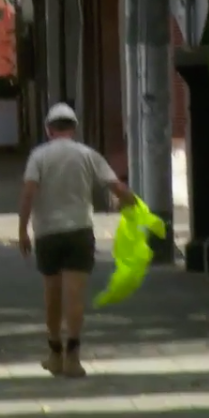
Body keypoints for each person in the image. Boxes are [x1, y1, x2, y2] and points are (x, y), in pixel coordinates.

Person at [17, 103, 136, 378]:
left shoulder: (39, 157)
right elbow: (116, 186)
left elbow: (28, 193)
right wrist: (137, 207)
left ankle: (54, 353)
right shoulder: (87, 154)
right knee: (75, 296)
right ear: (74, 128)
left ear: (49, 129)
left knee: (52, 295)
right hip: (80, 231)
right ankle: (73, 356)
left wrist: (23, 230)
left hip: (47, 232)